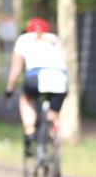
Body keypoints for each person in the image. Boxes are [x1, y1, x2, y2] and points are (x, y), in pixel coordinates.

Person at [4, 17, 68, 157]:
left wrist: (9, 88)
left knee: (25, 98)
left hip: (36, 77)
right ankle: (55, 141)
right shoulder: (54, 39)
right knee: (53, 115)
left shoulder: (23, 40)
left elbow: (16, 69)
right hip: (60, 78)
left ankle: (30, 131)